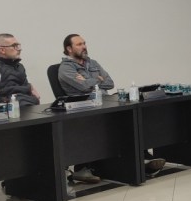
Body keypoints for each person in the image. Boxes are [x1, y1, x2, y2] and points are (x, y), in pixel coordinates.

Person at [56, 33, 164, 180]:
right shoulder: (65, 68)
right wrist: (98, 79)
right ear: (69, 49)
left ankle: (142, 156)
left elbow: (109, 83)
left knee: (130, 115)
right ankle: (84, 167)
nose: (84, 46)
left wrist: (91, 80)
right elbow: (83, 87)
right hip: (84, 106)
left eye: (84, 43)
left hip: (105, 101)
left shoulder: (93, 63)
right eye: (79, 44)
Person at [0, 33, 40, 106]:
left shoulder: (19, 66)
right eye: (14, 46)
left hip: (28, 104)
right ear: (2, 50)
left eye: (18, 45)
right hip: (11, 108)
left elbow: (31, 89)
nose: (19, 49)